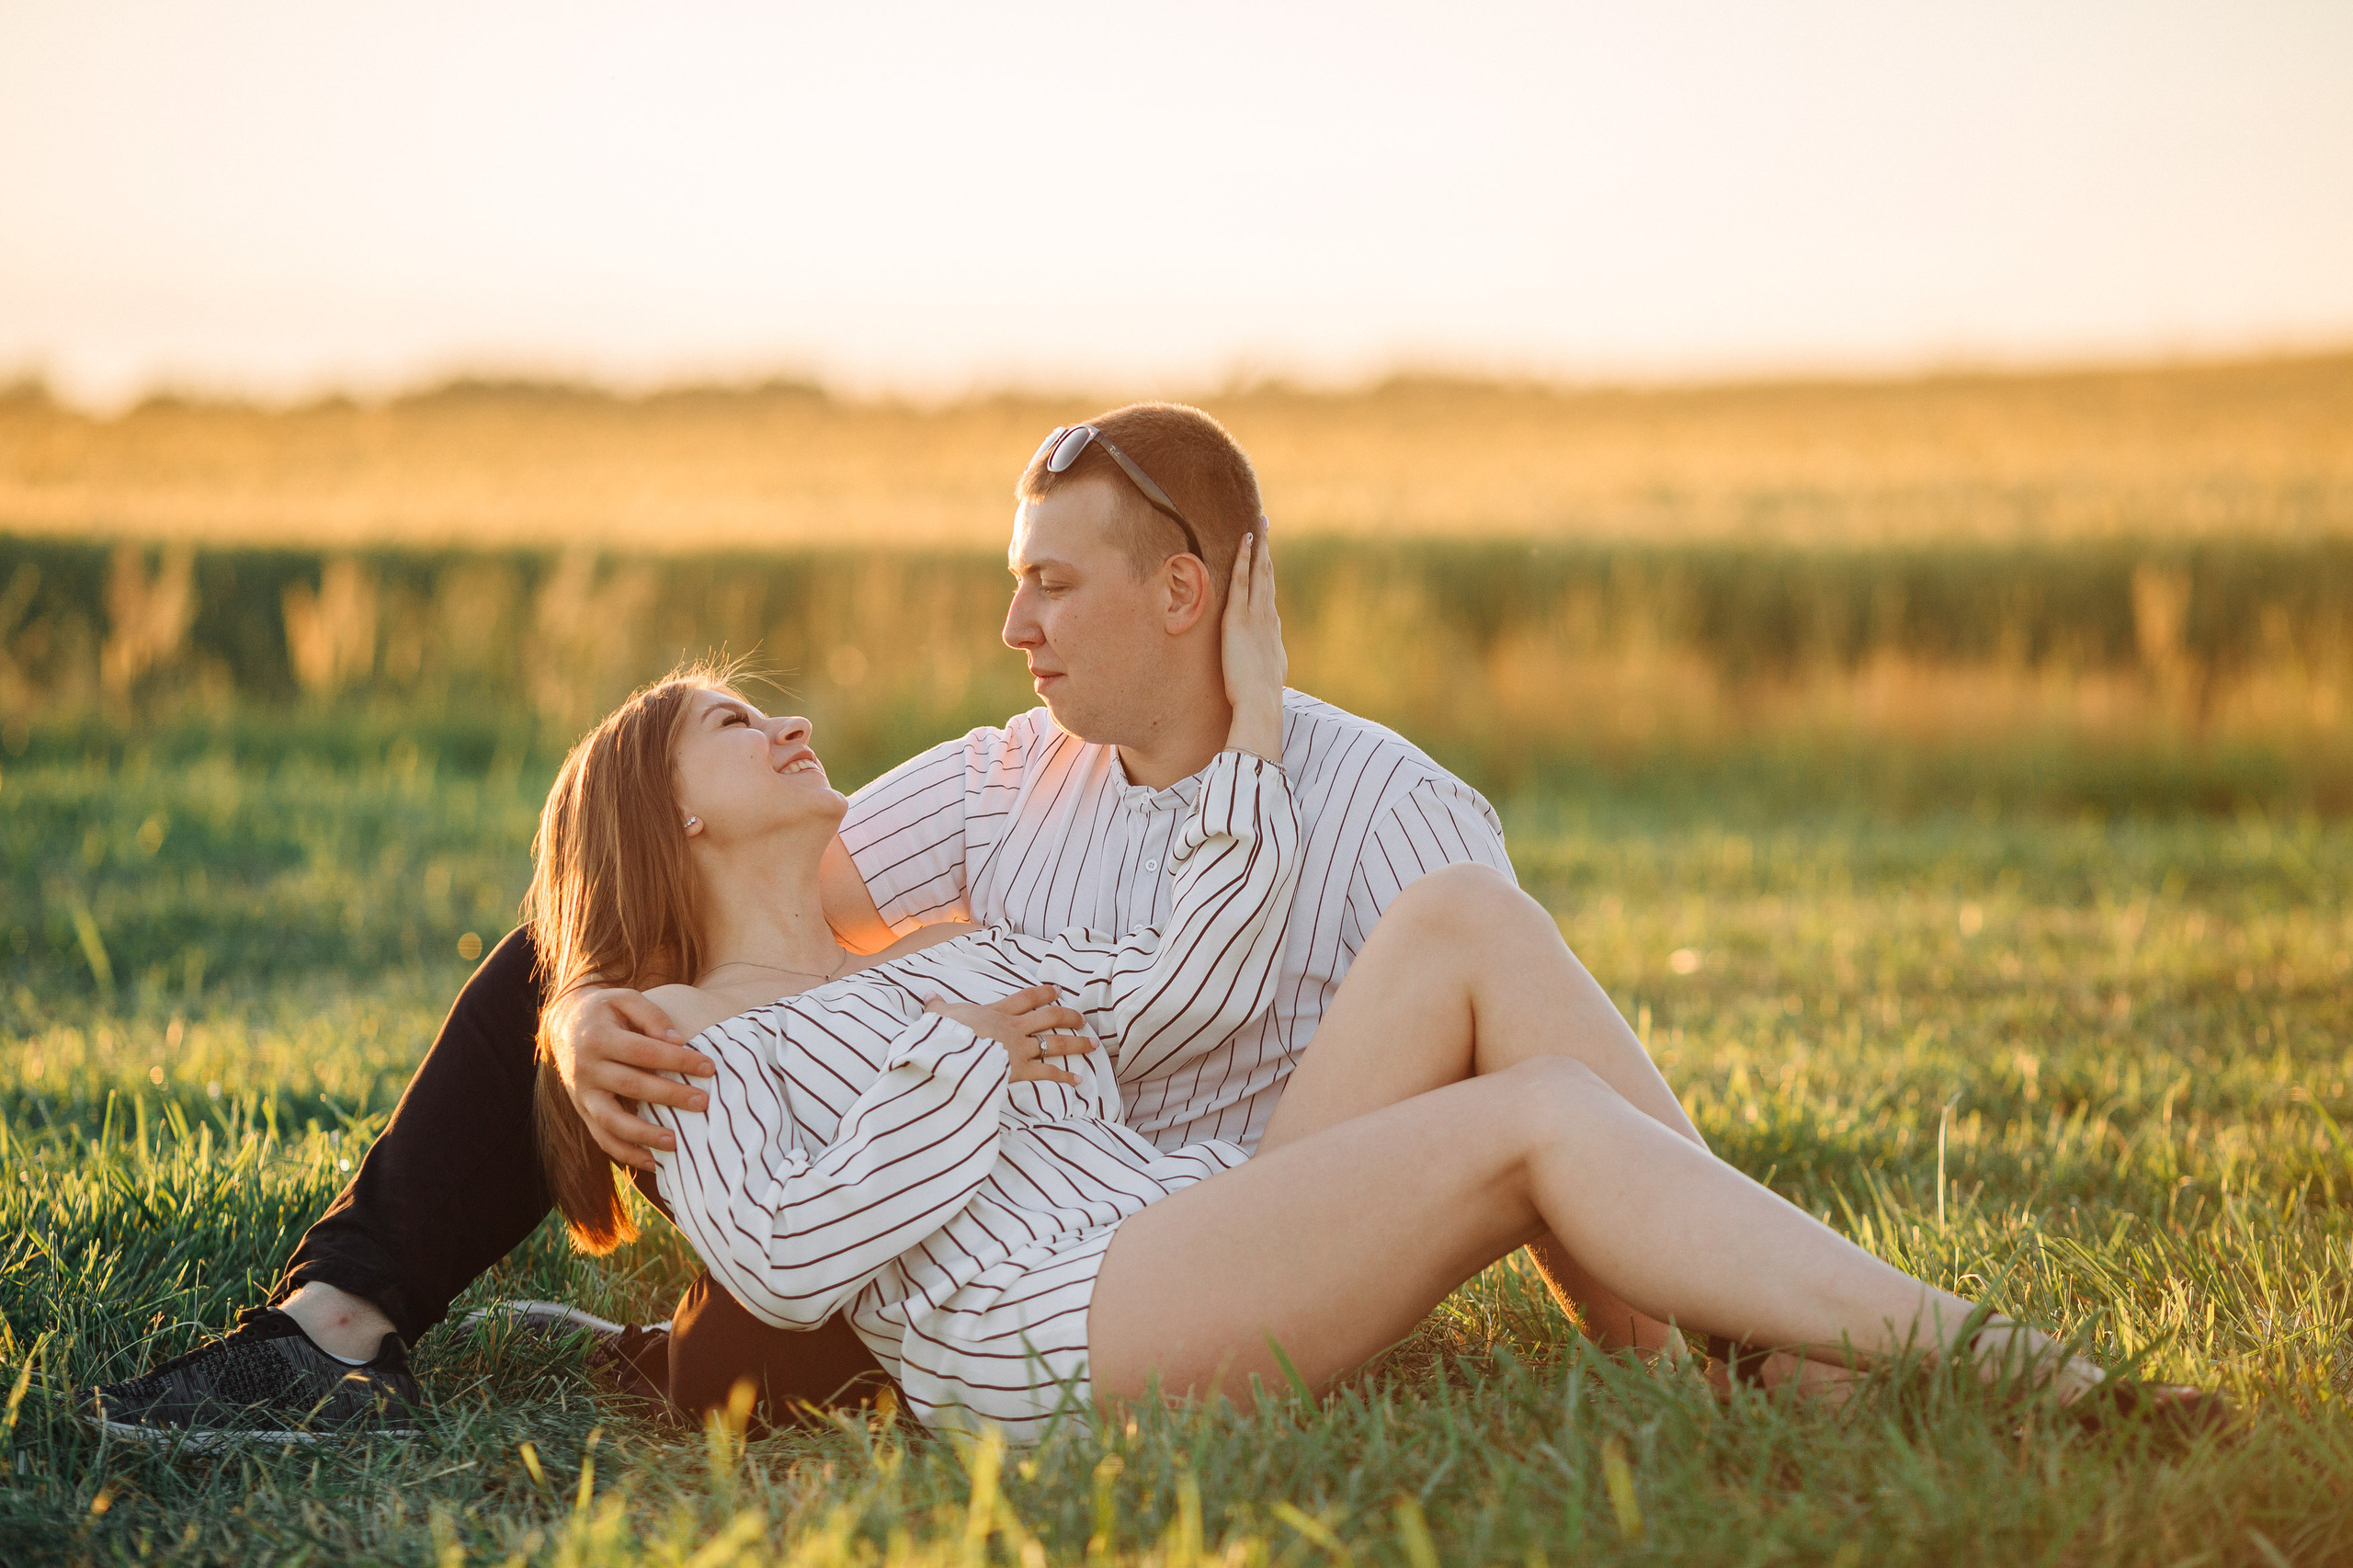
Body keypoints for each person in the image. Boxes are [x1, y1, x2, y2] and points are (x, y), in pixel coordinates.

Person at [91, 403, 1697, 1442]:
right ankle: (341, 1319)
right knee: (711, 1190)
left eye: (1051, 588)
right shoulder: (1009, 776)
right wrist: (580, 1008)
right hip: (988, 1236)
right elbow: (693, 887)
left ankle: (1751, 1352)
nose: (1014, 631)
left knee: (784, 1356)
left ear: (1187, 595)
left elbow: (1541, 1097)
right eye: (1018, 582)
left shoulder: (1400, 816)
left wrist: (1670, 1342)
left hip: (1237, 1232)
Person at [522, 562, 2187, 1442]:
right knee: (1534, 1124)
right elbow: (788, 1257)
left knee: (1466, 917)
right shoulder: (688, 1037)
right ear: (673, 816)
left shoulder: (938, 955)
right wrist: (955, 1069)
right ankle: (1996, 1364)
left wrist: (1245, 729)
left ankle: (1733, 1364)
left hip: (1172, 1233)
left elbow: (1189, 973)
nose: (786, 724)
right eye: (731, 728)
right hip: (1054, 1341)